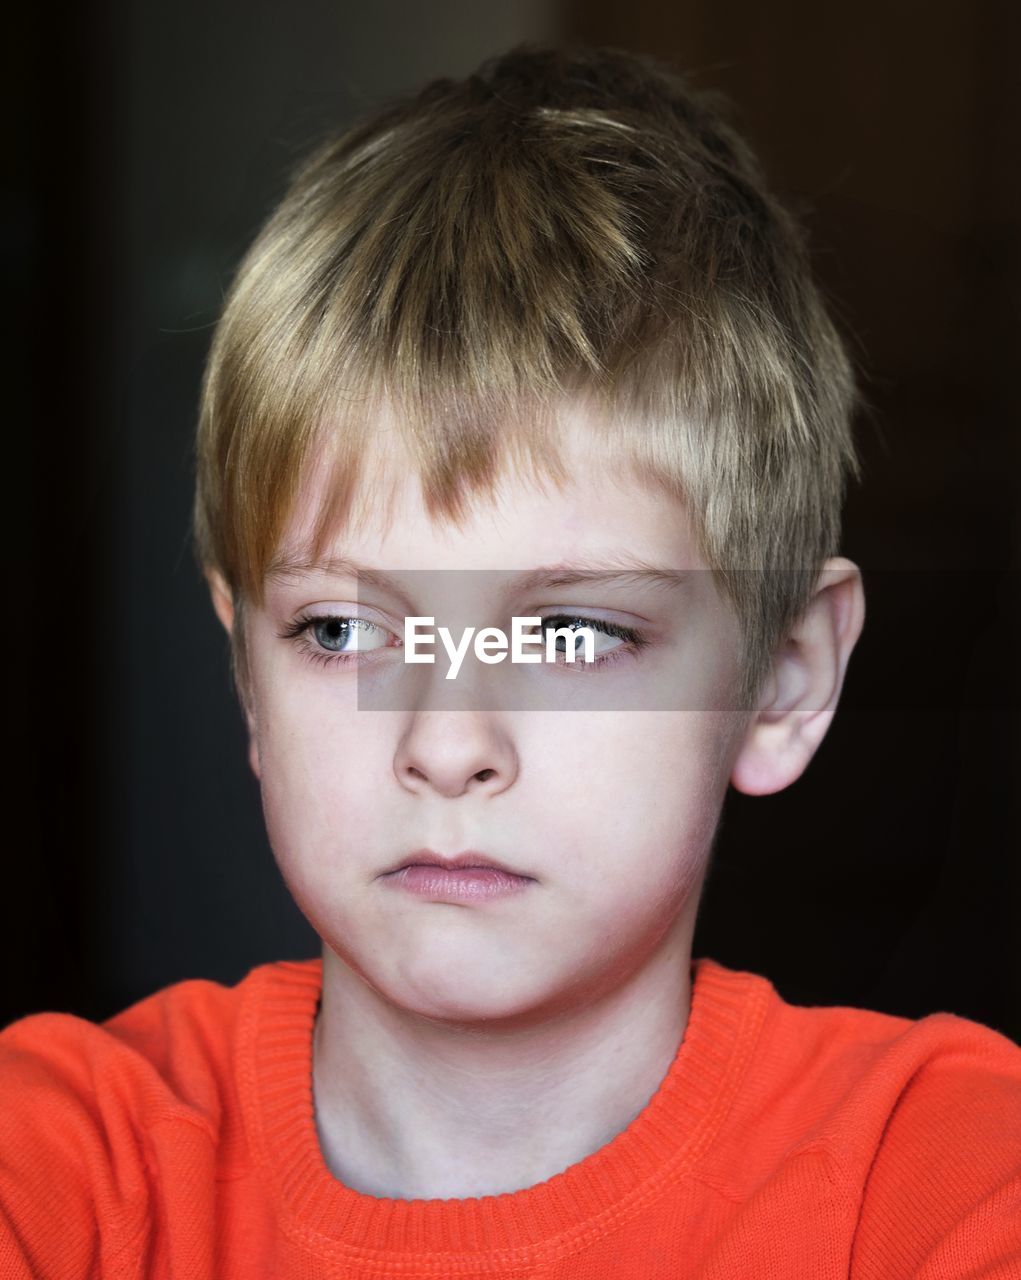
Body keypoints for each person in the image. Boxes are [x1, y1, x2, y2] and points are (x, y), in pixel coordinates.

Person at [2, 43, 1019, 1278]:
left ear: (783, 677)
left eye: (571, 633)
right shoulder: (67, 1155)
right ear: (248, 676)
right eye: (344, 630)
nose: (446, 742)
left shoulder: (941, 1173)